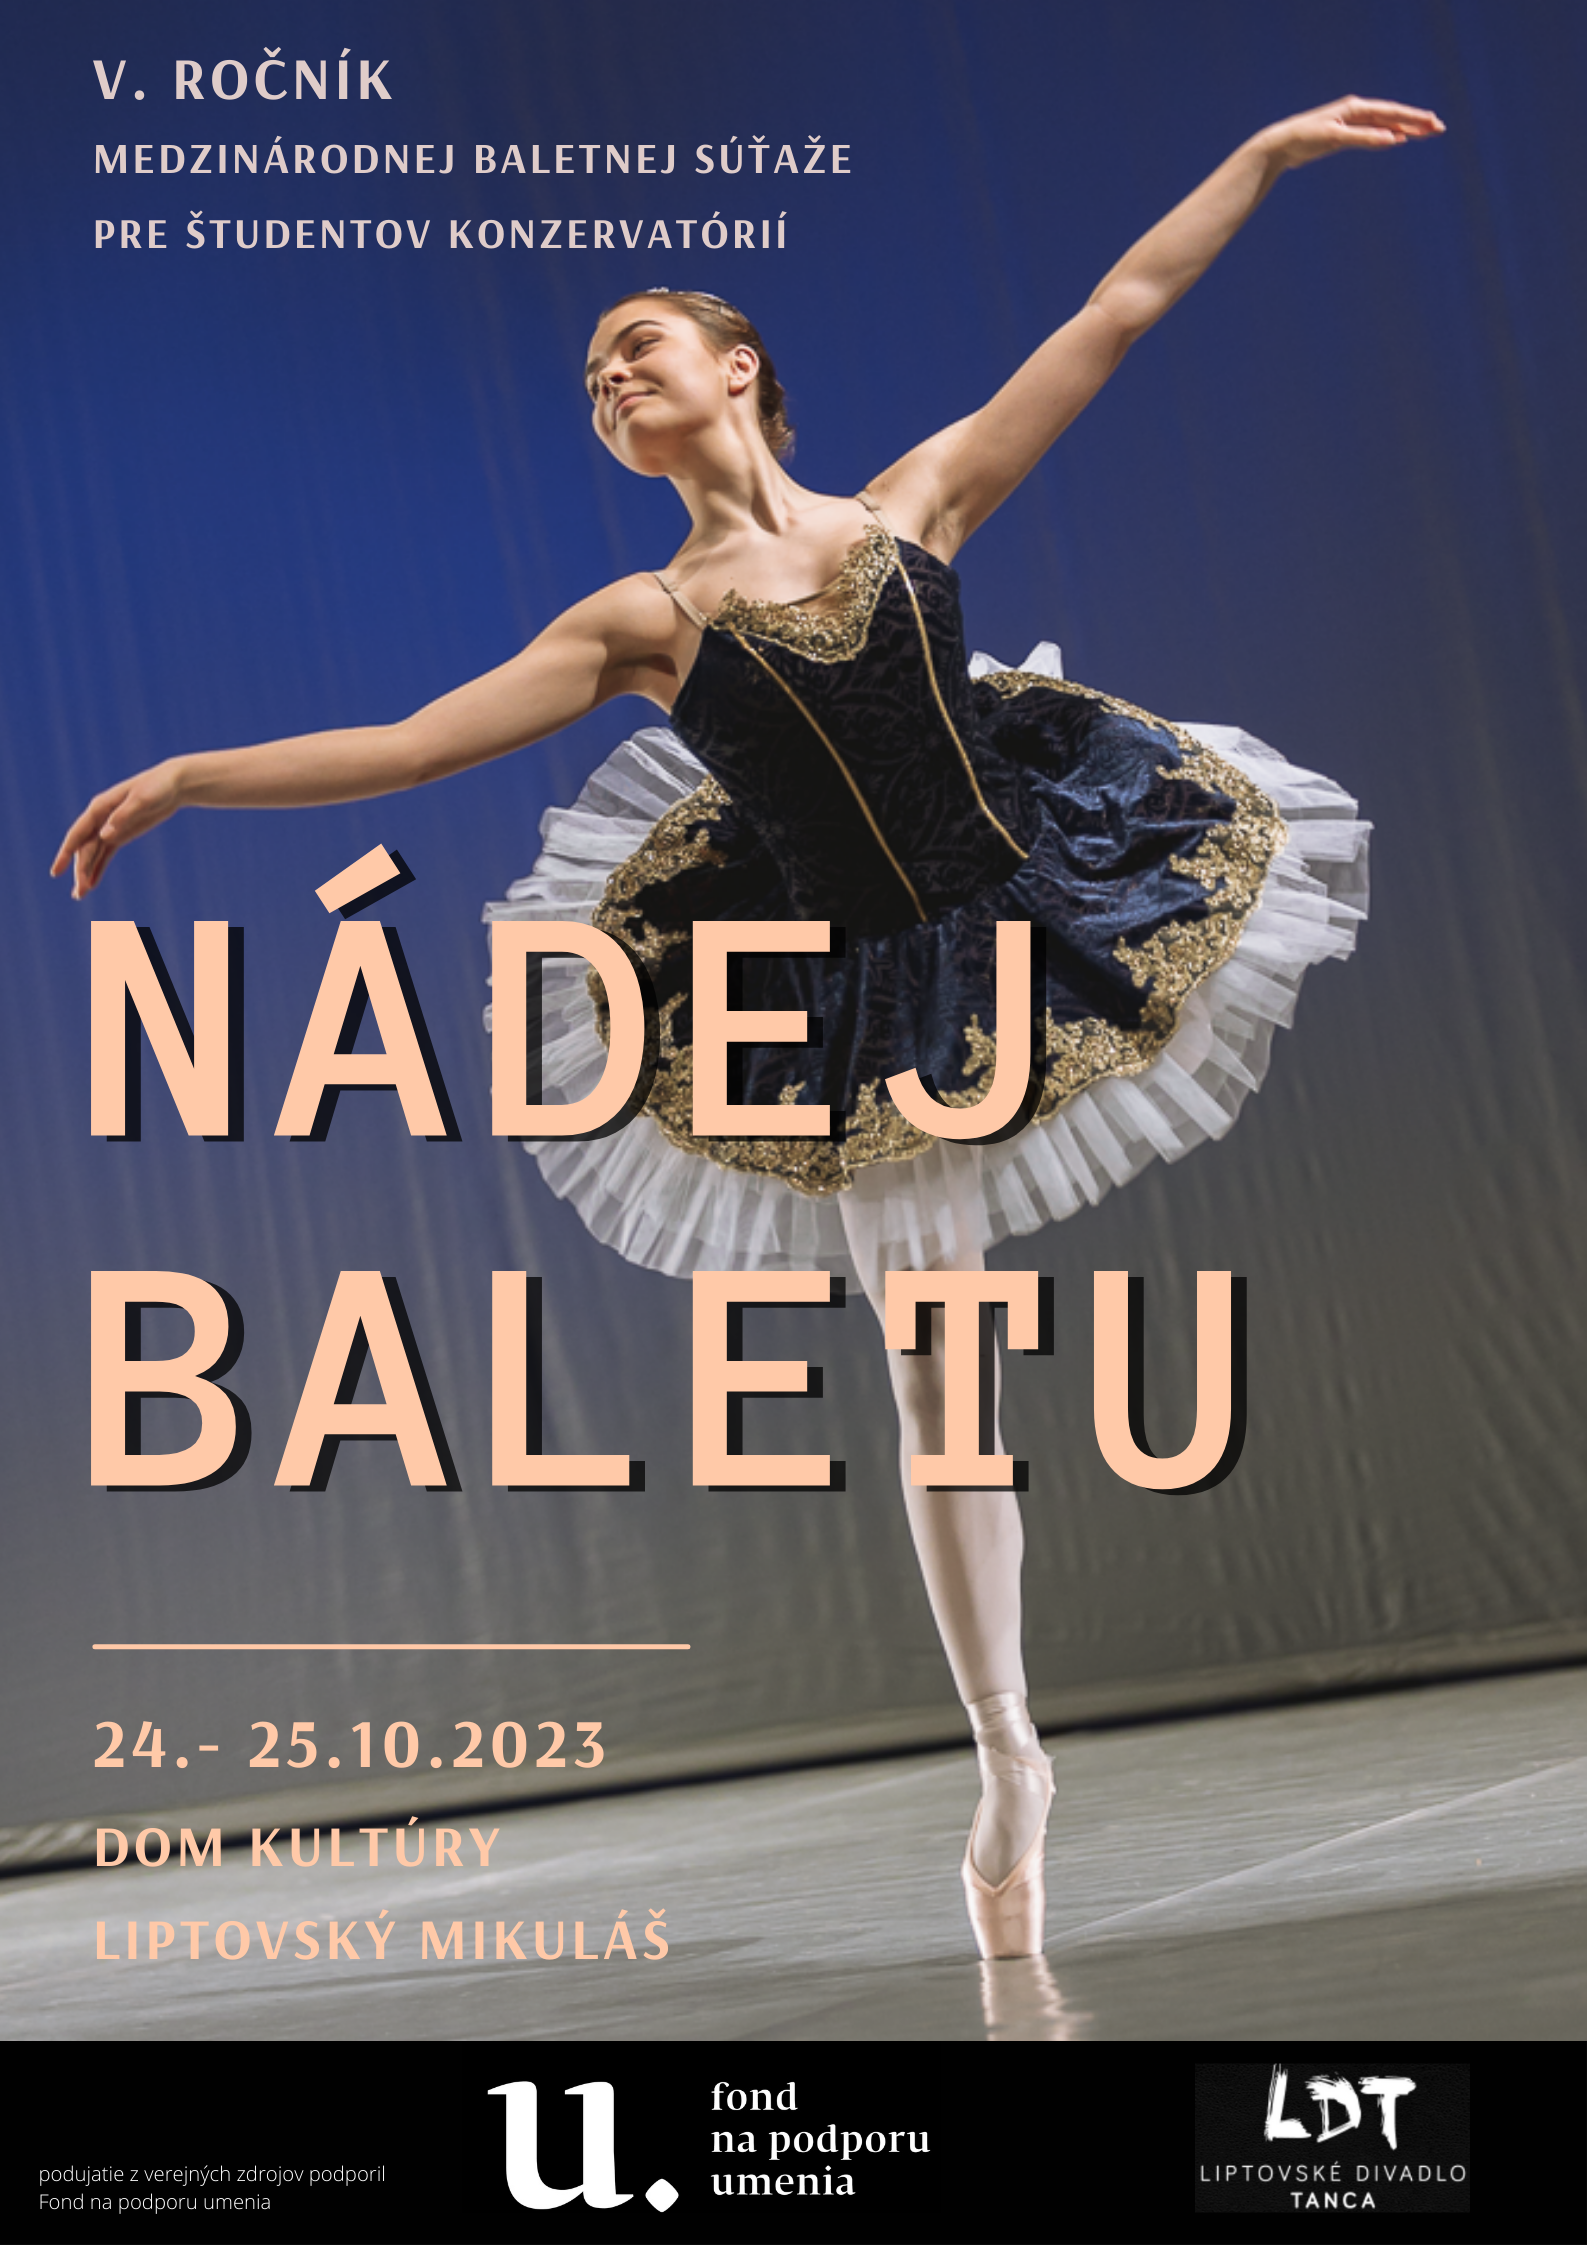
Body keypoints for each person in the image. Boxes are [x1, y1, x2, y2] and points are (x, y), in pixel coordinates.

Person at [54, 95, 1442, 1960]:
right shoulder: (641, 617)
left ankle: (1010, 1756)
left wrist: (1259, 160)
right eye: (592, 377)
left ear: (738, 370)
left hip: (1038, 881)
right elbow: (409, 742)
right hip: (852, 995)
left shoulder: (912, 504)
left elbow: (1113, 310)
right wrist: (190, 776)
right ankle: (1008, 1756)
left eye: (638, 345)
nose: (612, 377)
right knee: (938, 1378)